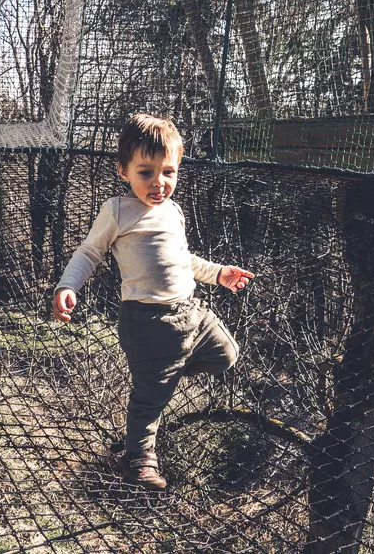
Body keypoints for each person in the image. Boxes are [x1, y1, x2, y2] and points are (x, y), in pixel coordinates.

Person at [52, 113, 254, 491]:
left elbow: (183, 259)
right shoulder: (117, 210)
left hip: (192, 314)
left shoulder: (173, 211)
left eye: (169, 172)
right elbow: (89, 252)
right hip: (148, 323)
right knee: (149, 402)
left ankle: (166, 374)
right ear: (123, 171)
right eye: (146, 172)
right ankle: (138, 461)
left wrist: (218, 273)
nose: (159, 183)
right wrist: (68, 285)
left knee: (227, 354)